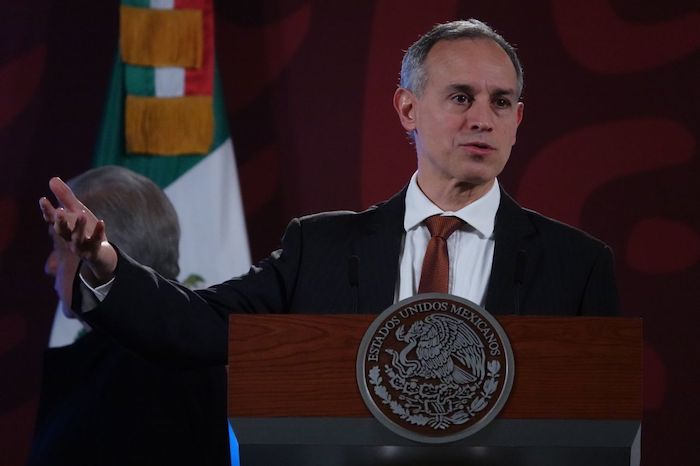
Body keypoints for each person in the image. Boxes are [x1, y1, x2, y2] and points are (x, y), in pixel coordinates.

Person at [39, 19, 618, 366]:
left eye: (501, 102)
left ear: (519, 119)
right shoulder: (319, 247)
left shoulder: (577, 266)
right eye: (461, 97)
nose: (483, 119)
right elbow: (199, 327)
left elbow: (601, 424)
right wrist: (105, 262)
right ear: (407, 108)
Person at [29, 166, 231, 466]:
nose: (50, 265)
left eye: (59, 245)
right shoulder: (183, 354)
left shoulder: (143, 378)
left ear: (100, 253)